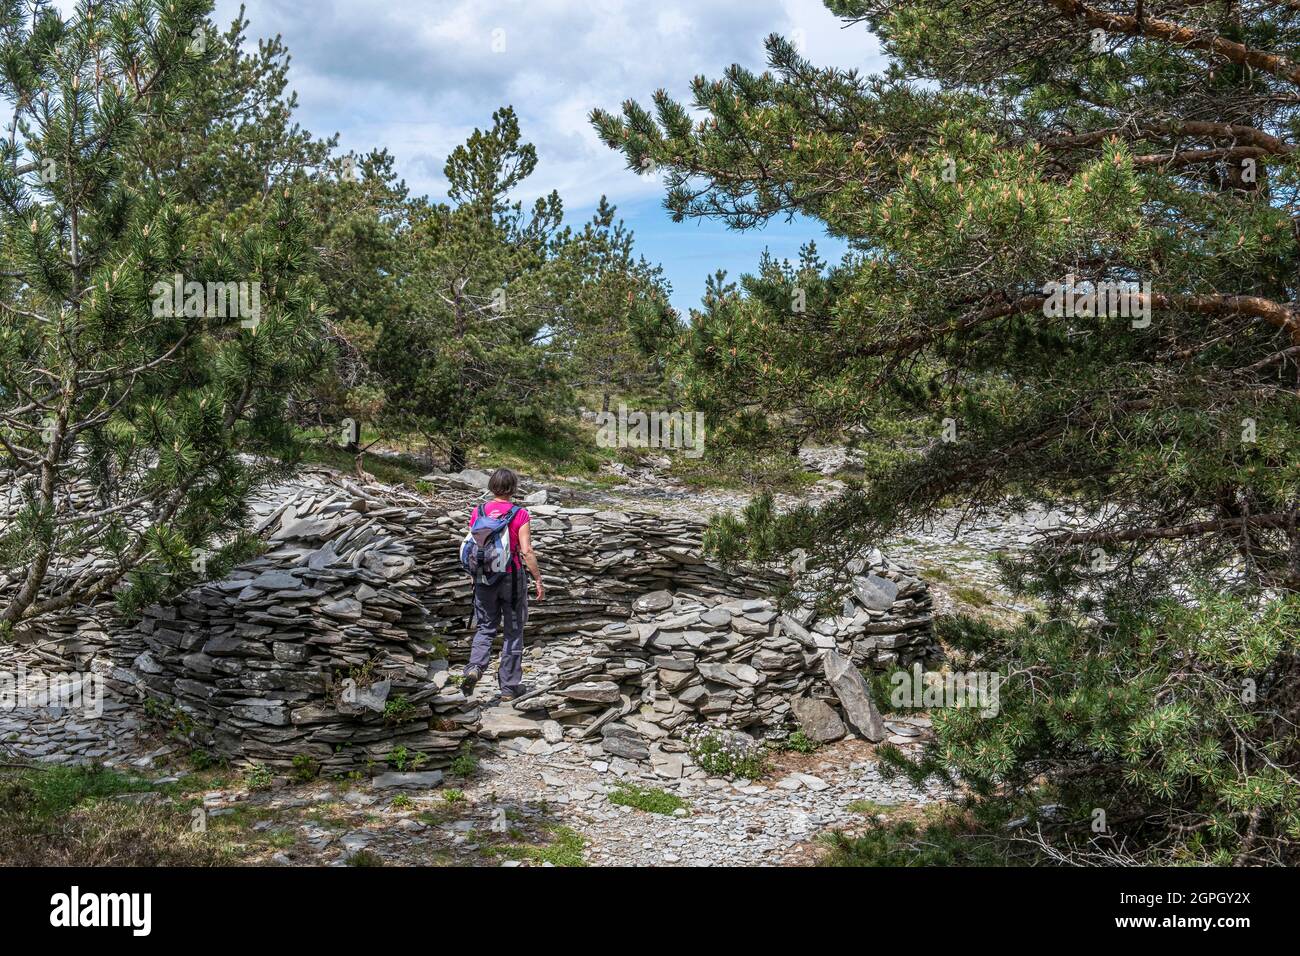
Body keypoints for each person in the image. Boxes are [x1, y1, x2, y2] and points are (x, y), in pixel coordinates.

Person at [462, 468, 544, 700]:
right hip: (512, 577)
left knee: (486, 627)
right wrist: (537, 579)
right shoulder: (520, 514)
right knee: (513, 629)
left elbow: (475, 547)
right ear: (513, 488)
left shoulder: (479, 511)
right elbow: (526, 551)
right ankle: (509, 687)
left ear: (491, 486)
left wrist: (475, 577)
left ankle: (474, 669)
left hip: (484, 578)